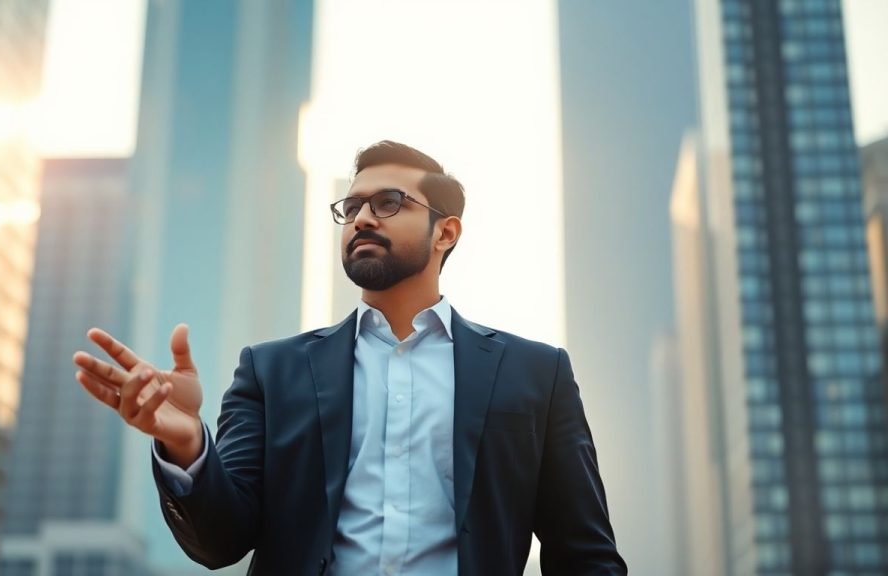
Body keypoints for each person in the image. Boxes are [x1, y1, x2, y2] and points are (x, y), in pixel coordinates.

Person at [73, 141, 627, 575]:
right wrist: (187, 443)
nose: (362, 218)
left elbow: (584, 556)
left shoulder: (536, 373)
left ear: (446, 232)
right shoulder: (271, 371)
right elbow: (220, 543)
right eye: (352, 206)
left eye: (388, 203)